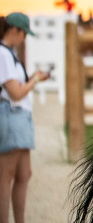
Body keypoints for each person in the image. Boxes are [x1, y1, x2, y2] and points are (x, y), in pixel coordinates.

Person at [0, 13, 50, 223]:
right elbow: (15, 93)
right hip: (12, 115)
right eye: (24, 34)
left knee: (24, 173)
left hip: (20, 118)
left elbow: (17, 85)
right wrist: (35, 80)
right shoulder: (2, 53)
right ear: (15, 31)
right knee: (5, 176)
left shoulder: (10, 54)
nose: (25, 39)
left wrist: (31, 78)